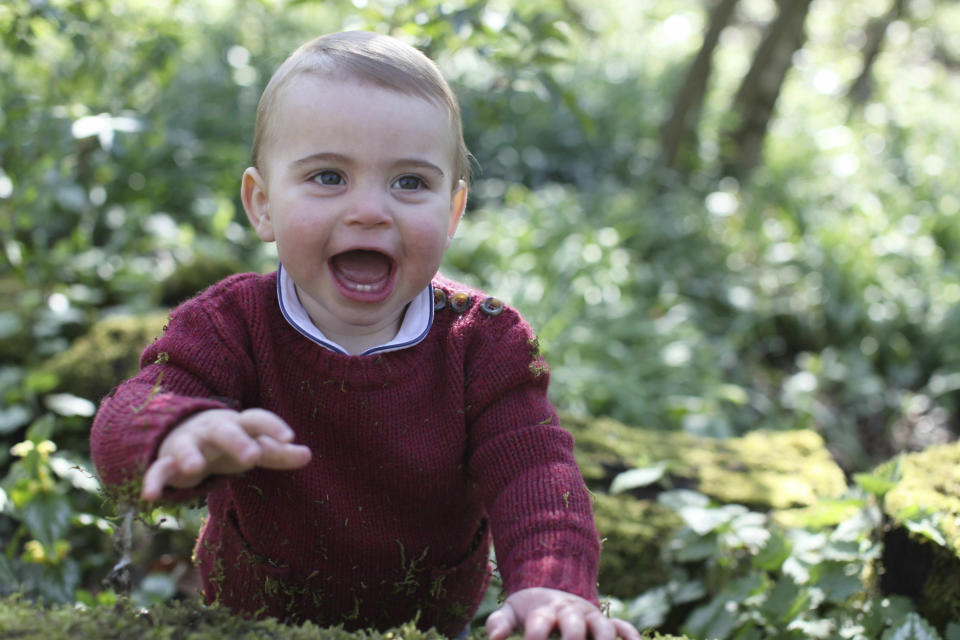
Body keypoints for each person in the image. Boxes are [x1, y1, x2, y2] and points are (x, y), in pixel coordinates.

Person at [90, 30, 639, 640]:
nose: (371, 211)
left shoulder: (483, 342)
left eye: (409, 182)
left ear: (452, 213)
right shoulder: (229, 323)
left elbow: (535, 470)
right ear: (263, 204)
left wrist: (550, 583)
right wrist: (178, 427)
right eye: (328, 177)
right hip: (249, 623)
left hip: (426, 626)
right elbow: (124, 418)